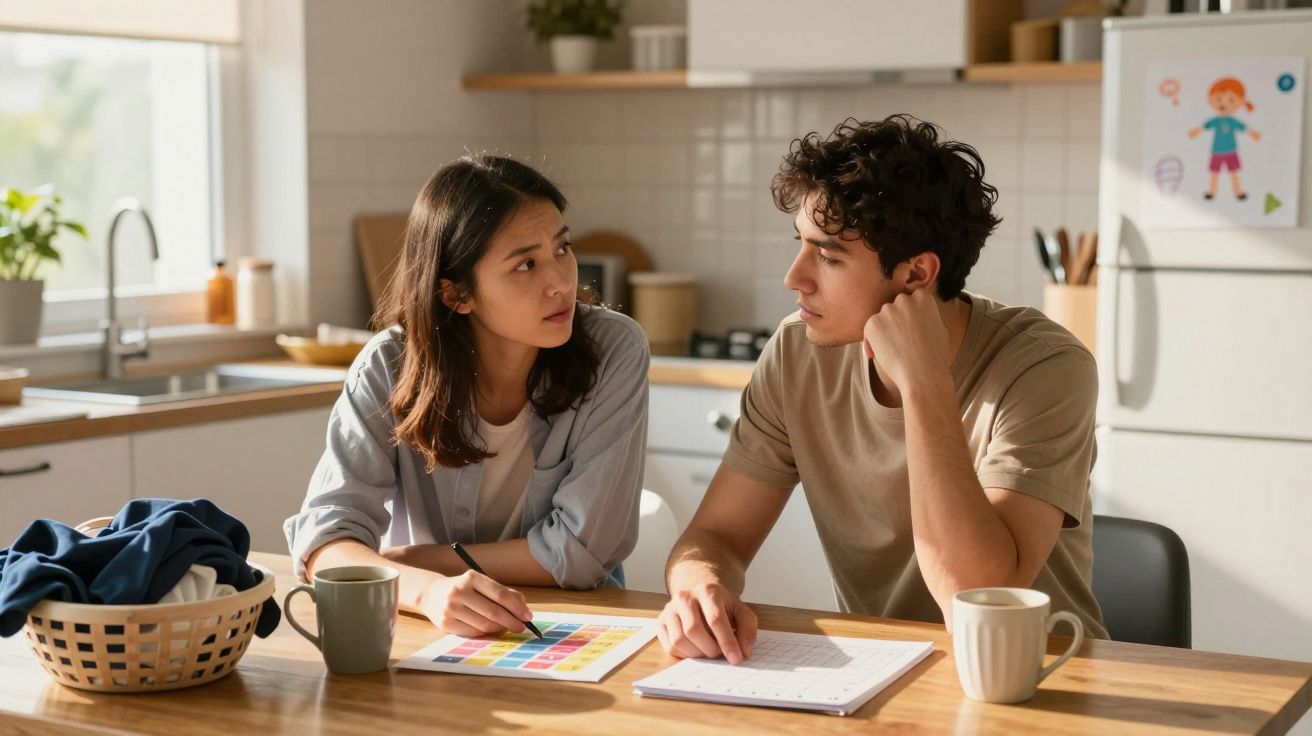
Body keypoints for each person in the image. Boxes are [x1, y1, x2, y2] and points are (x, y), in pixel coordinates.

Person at [657, 116, 1107, 665]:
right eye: (801, 245)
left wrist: (923, 385)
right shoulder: (798, 353)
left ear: (916, 275)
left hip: (1035, 679)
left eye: (827, 255)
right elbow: (717, 535)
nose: (794, 277)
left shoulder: (1045, 368)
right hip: (881, 674)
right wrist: (698, 587)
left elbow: (975, 594)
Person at [286, 154, 649, 637]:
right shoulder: (387, 365)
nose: (562, 282)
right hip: (430, 629)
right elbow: (325, 541)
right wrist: (426, 591)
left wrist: (422, 562)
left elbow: (582, 554)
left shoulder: (613, 350)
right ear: (457, 295)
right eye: (526, 264)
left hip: (579, 626)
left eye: (563, 248)